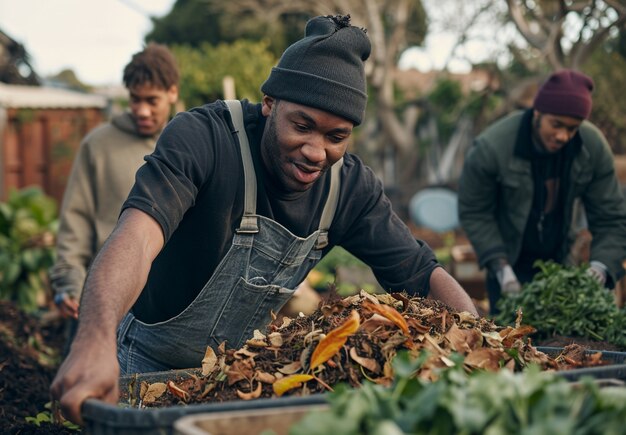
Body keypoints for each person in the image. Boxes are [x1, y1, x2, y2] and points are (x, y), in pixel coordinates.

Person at [51, 15, 478, 424]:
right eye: (303, 126)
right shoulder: (205, 139)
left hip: (232, 378)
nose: (316, 151)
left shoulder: (349, 189)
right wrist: (95, 338)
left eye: (336, 137)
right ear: (269, 103)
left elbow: (421, 273)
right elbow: (139, 236)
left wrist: (479, 345)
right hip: (141, 365)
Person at [458, 69, 626, 314]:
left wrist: (600, 269)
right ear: (538, 112)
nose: (562, 136)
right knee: (507, 341)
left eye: (572, 128)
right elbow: (474, 211)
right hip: (508, 263)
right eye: (556, 124)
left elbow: (611, 217)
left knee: (565, 345)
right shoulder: (492, 147)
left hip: (561, 268)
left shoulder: (592, 147)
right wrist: (500, 266)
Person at [48, 43, 180, 352]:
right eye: (135, 99)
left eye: (152, 100)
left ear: (172, 93)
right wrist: (69, 279)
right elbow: (76, 218)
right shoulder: (98, 145)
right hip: (106, 298)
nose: (142, 110)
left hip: (167, 310)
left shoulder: (188, 147)